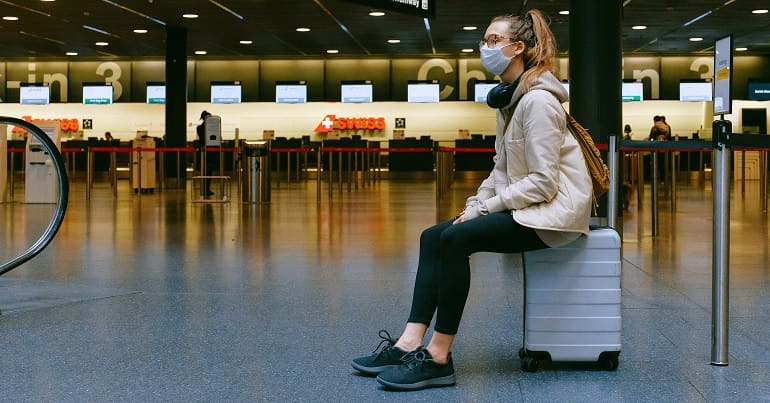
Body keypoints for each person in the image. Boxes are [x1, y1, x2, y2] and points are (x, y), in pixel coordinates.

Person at [351, 9, 592, 391]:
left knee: (455, 239)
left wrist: (488, 209)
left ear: (519, 49)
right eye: (484, 40)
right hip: (527, 207)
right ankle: (408, 342)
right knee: (434, 236)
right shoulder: (511, 102)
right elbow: (502, 169)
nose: (485, 47)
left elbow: (544, 183)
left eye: (493, 40)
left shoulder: (539, 103)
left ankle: (438, 356)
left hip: (552, 216)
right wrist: (474, 205)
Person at [196, 110, 218, 196]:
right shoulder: (207, 128)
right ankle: (206, 189)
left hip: (204, 152)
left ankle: (206, 188)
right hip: (209, 152)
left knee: (206, 171)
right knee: (208, 171)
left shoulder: (199, 128)